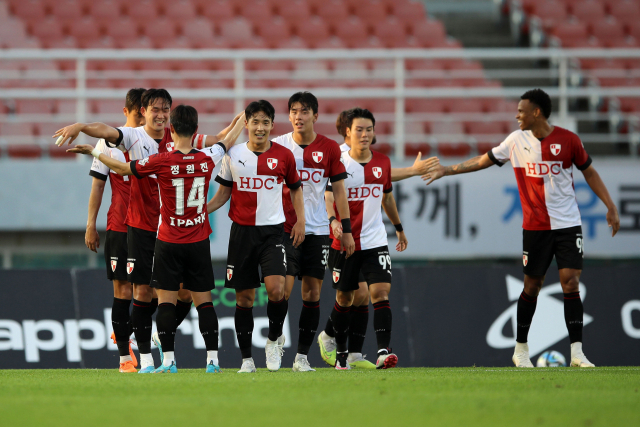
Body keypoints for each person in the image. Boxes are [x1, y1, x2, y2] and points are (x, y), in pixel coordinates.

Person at [423, 88, 620, 368]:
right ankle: (521, 350)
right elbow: (482, 161)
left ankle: (577, 353)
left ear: (536, 112)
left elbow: (589, 172)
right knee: (532, 286)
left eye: (521, 111)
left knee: (571, 281)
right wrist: (447, 170)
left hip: (568, 223)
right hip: (536, 227)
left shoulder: (569, 140)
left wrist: (610, 205)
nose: (517, 116)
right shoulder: (515, 141)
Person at [54, 89, 243, 372]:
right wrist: (81, 126)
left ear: (172, 118)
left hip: (171, 230)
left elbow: (219, 139)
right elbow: (104, 131)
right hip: (141, 226)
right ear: (143, 112)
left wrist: (242, 119)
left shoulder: (177, 139)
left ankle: (160, 338)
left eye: (166, 109)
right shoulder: (132, 136)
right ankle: (143, 360)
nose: (161, 115)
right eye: (155, 109)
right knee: (141, 291)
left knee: (183, 294)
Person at [318, 108, 432, 369]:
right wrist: (333, 221)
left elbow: (387, 195)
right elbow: (329, 195)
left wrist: (399, 227)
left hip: (374, 240)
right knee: (348, 298)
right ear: (347, 131)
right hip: (344, 241)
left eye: (369, 129)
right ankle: (335, 344)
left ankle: (379, 352)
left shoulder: (382, 161)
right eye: (359, 129)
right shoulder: (339, 160)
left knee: (378, 292)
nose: (365, 134)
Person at [207, 100, 305, 373]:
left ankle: (273, 340)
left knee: (277, 290)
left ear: (272, 125)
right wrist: (200, 211)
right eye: (255, 122)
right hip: (242, 234)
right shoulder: (233, 154)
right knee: (245, 299)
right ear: (246, 124)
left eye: (265, 122)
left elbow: (296, 189)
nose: (260, 128)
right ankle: (247, 360)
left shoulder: (284, 156)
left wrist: (300, 222)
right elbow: (223, 194)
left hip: (273, 232)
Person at [273, 92, 354, 372]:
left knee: (312, 293)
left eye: (305, 111)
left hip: (318, 230)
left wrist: (345, 228)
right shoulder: (278, 146)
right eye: (294, 111)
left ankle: (301, 357)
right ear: (289, 115)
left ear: (315, 116)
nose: (299, 117)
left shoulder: (329, 148)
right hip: (285, 227)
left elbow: (339, 191)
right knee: (281, 290)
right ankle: (275, 338)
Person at [85, 88, 145, 373]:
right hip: (119, 226)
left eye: (146, 114)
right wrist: (90, 225)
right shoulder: (107, 143)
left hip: (149, 228)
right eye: (137, 115)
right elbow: (98, 185)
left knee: (153, 292)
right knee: (123, 290)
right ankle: (124, 359)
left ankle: (123, 330)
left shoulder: (157, 142)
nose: (143, 120)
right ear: (126, 112)